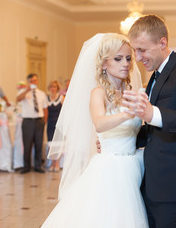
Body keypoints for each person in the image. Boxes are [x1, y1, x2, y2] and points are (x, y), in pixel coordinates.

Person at [42, 33, 147, 227]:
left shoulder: (132, 92)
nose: (125, 63)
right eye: (118, 58)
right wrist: (127, 114)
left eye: (128, 58)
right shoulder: (98, 93)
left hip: (133, 164)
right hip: (110, 167)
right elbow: (99, 123)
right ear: (104, 63)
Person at [121, 15, 176, 228]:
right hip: (156, 183)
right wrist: (123, 141)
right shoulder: (155, 76)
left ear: (162, 43)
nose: (137, 57)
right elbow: (156, 130)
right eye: (135, 50)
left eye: (142, 49)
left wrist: (152, 113)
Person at [17, 73, 48, 174]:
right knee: (27, 145)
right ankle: (26, 166)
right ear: (28, 82)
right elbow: (17, 99)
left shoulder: (42, 93)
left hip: (39, 121)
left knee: (39, 144)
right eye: (31, 81)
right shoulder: (23, 92)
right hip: (28, 121)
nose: (33, 83)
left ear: (37, 81)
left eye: (35, 81)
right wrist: (27, 90)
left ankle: (38, 166)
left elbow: (45, 108)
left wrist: (44, 121)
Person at [45, 80, 64, 172]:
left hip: (59, 124)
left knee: (58, 144)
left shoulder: (61, 98)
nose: (53, 88)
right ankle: (52, 162)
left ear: (57, 88)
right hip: (50, 124)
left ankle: (57, 163)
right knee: (50, 145)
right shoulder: (46, 98)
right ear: (49, 88)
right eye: (51, 86)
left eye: (54, 87)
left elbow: (65, 112)